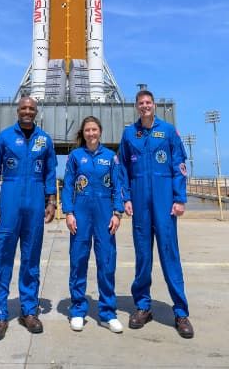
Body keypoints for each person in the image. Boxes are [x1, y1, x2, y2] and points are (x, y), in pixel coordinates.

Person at [119, 90, 194, 338]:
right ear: (136, 107)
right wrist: (126, 198)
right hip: (139, 202)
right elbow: (123, 170)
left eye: (148, 103)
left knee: (170, 255)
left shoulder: (169, 131)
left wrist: (179, 198)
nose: (145, 106)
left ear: (154, 105)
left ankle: (181, 312)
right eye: (141, 103)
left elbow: (179, 166)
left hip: (164, 202)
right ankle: (143, 307)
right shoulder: (130, 134)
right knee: (143, 257)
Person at [0, 96, 57, 340]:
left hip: (35, 203)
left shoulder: (44, 140)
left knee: (31, 260)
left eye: (31, 109)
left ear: (36, 112)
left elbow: (49, 173)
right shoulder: (4, 137)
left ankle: (28, 311)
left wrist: (51, 201)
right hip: (10, 201)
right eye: (24, 108)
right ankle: (0, 314)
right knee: (3, 258)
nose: (27, 111)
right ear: (18, 110)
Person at [62, 115, 129, 332]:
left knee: (107, 262)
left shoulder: (110, 157)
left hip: (104, 213)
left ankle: (108, 313)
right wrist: (69, 213)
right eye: (87, 130)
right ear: (83, 133)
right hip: (80, 213)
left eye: (94, 130)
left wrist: (117, 213)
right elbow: (68, 185)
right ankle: (78, 309)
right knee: (78, 260)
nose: (91, 133)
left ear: (100, 132)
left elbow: (118, 185)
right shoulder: (75, 156)